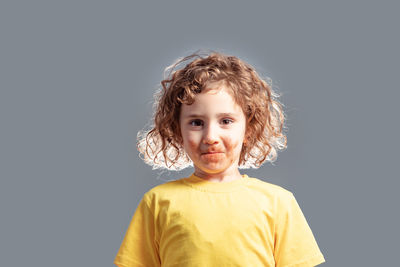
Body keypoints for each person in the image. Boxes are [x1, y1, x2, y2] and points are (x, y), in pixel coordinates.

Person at [114, 51, 325, 267]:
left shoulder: (279, 203)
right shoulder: (157, 202)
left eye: (225, 120)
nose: (210, 137)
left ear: (249, 129)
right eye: (196, 123)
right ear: (177, 131)